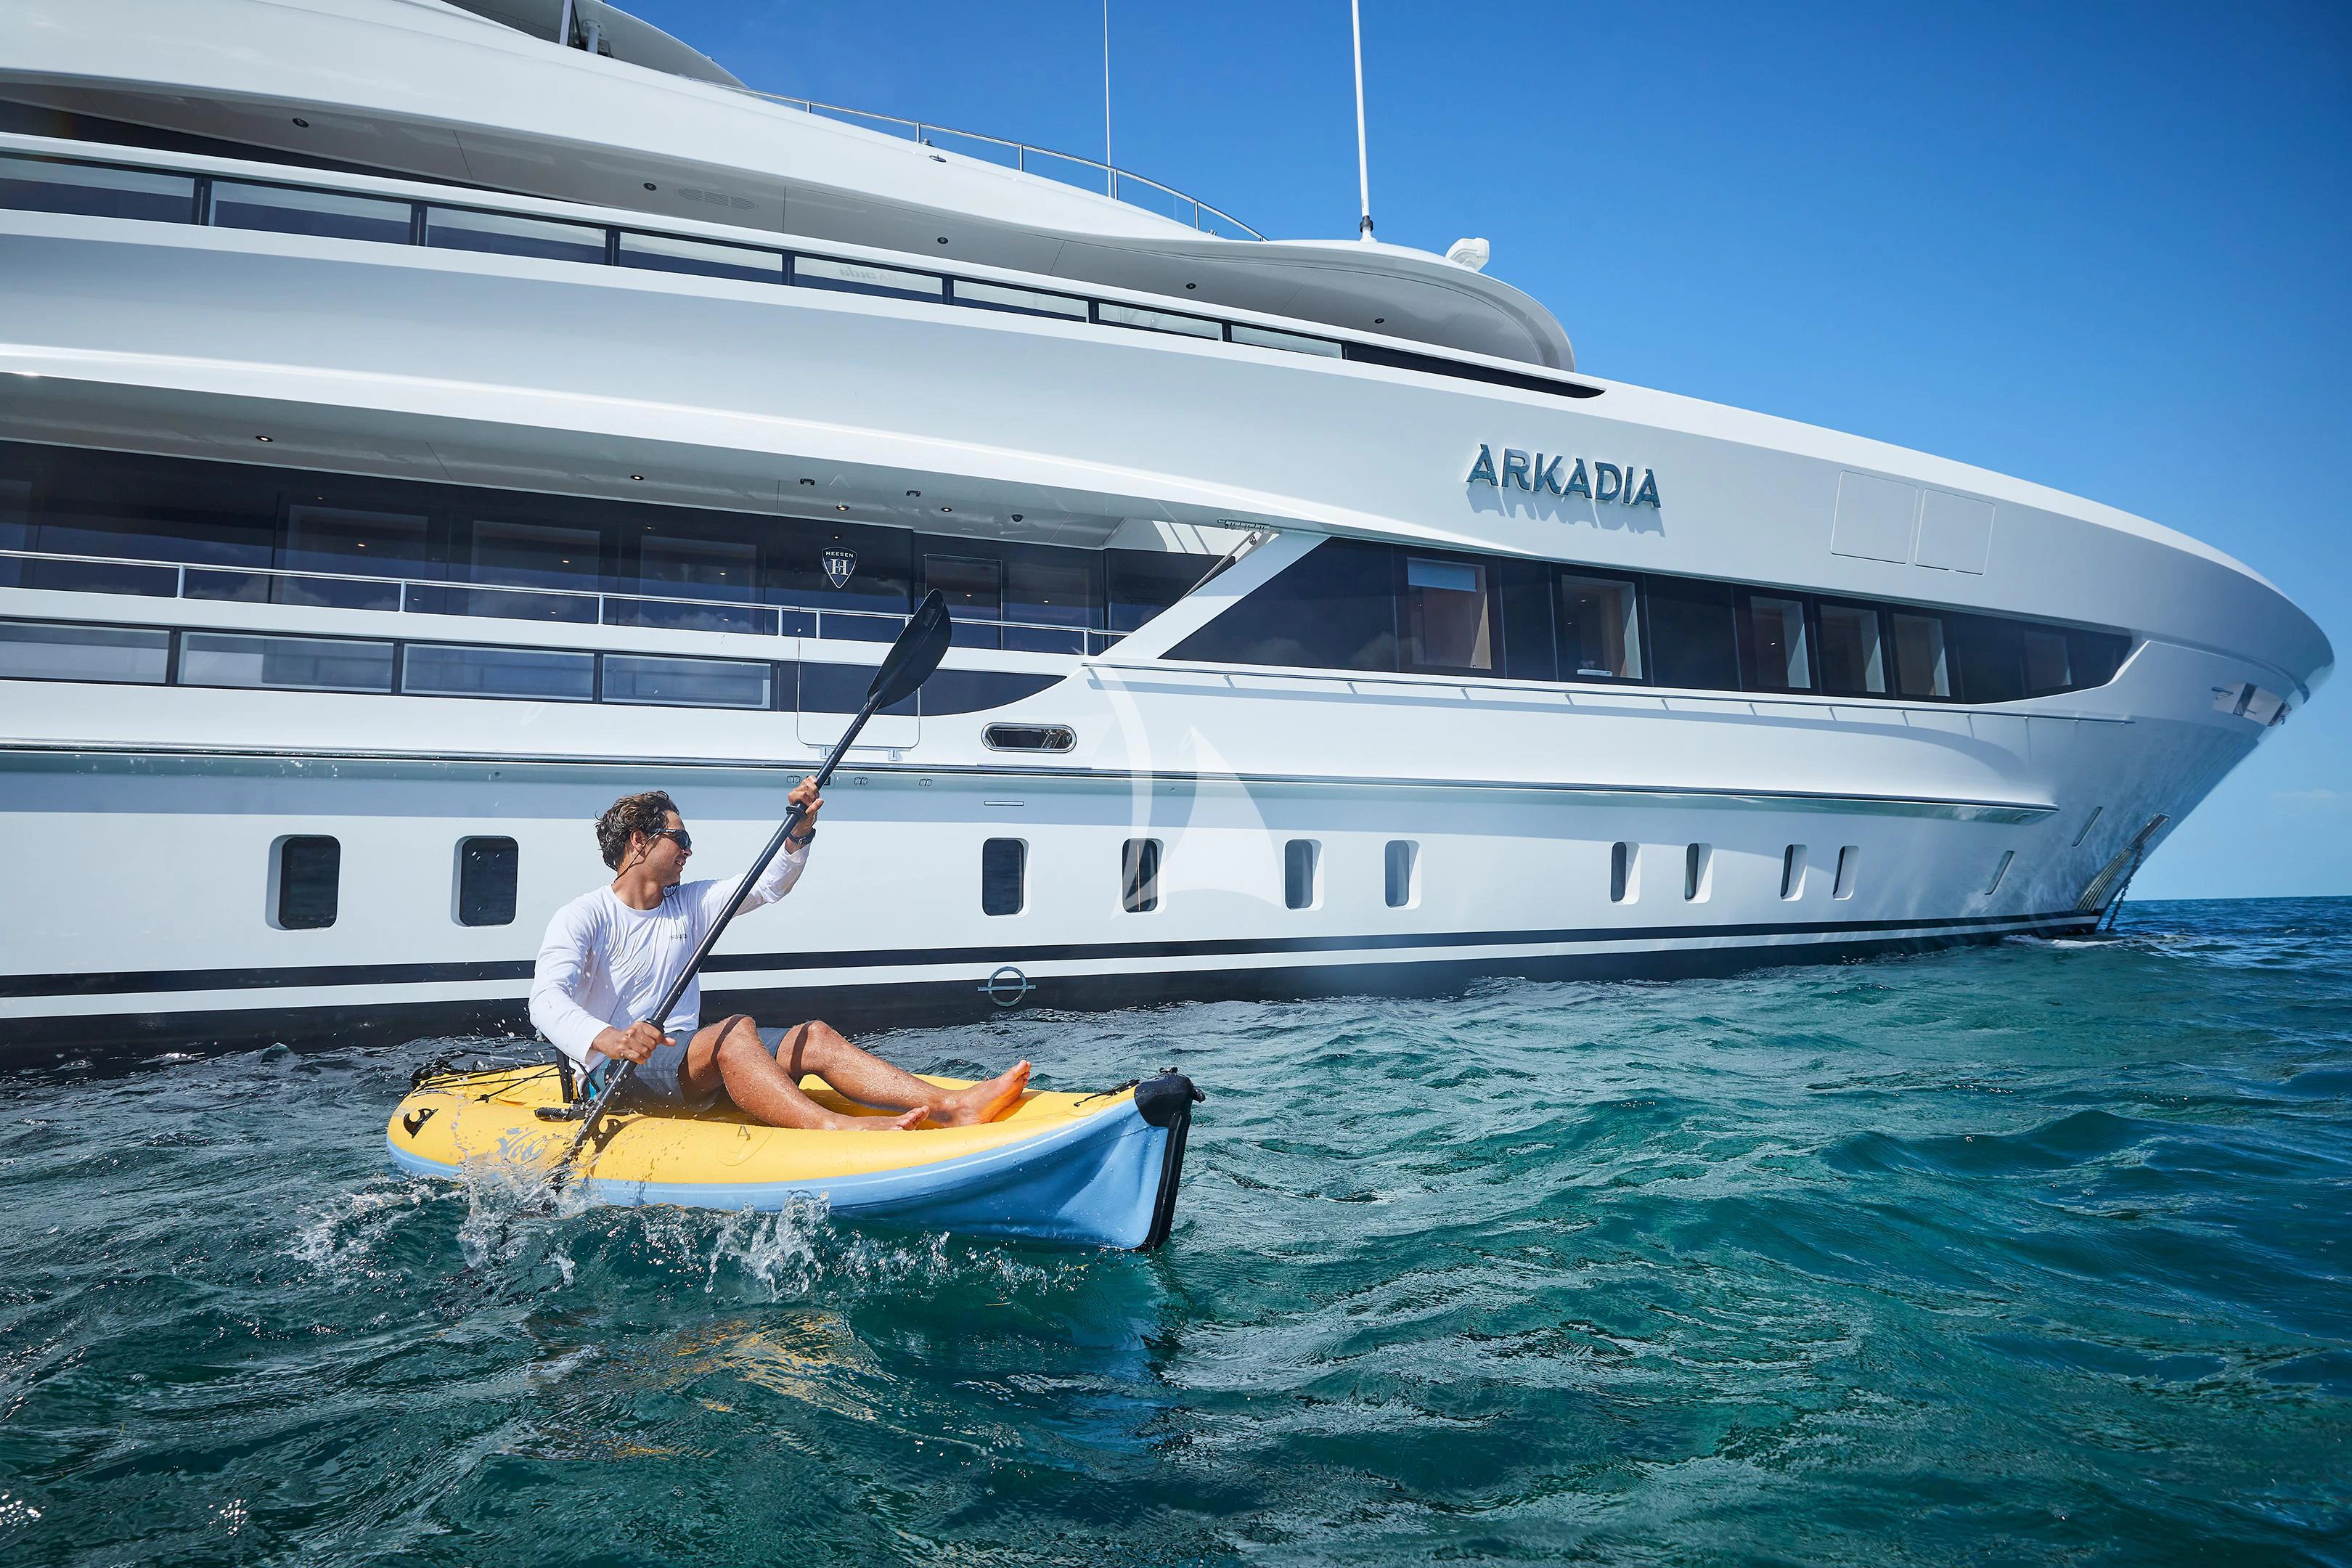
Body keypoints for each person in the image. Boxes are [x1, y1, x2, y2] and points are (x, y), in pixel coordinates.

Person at [529, 784, 1029, 1131]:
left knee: (815, 1037)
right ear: (639, 842)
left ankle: (952, 1106)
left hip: (684, 1064)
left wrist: (799, 832)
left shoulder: (691, 902)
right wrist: (612, 1039)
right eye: (680, 839)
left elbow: (768, 885)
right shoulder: (584, 916)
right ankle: (831, 1127)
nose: (688, 851)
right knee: (735, 1031)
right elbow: (545, 1001)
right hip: (615, 1075)